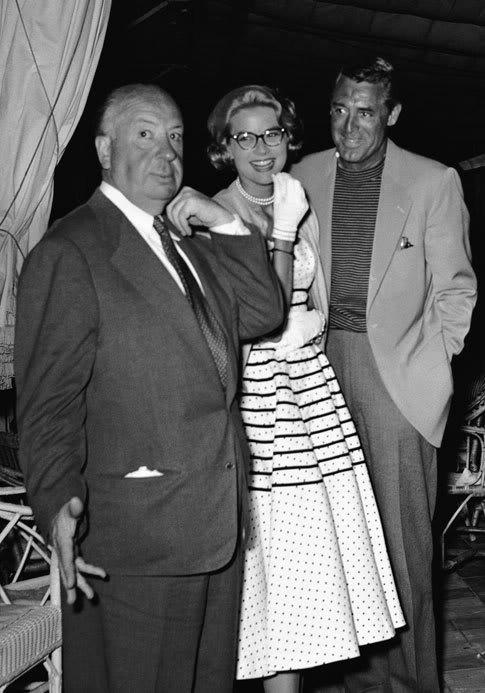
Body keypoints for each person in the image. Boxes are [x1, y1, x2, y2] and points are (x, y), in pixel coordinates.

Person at [14, 83, 285, 693]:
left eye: (176, 137)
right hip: (136, 536)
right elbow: (48, 404)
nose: (166, 151)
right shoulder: (71, 250)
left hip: (215, 523)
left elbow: (264, 311)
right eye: (145, 134)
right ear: (105, 150)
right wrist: (57, 501)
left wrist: (229, 223)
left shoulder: (188, 244)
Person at [207, 84, 405, 693]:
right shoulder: (217, 213)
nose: (261, 147)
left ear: (288, 138)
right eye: (245, 137)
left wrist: (315, 327)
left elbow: (318, 290)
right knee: (266, 561)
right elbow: (234, 317)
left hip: (311, 388)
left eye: (272, 133)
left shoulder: (298, 198)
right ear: (225, 148)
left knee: (305, 566)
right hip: (257, 395)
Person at [291, 57, 477, 692]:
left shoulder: (432, 181)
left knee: (401, 542)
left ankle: (410, 685)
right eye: (340, 110)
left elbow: (456, 288)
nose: (349, 127)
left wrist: (434, 362)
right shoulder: (302, 176)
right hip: (316, 363)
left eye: (365, 112)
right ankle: (349, 681)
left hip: (395, 374)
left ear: (391, 115)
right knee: (336, 542)